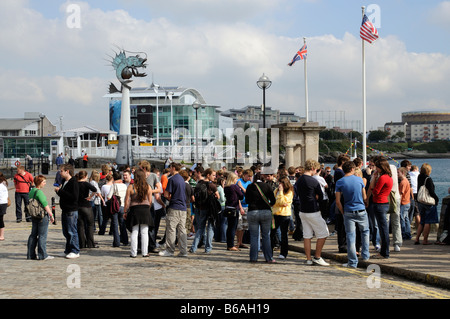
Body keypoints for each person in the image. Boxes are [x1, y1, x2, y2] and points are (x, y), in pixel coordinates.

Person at [335, 161, 369, 268]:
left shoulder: (340, 182)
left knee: (350, 236)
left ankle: (352, 262)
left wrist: (343, 212)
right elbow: (364, 197)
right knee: (365, 232)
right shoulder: (359, 179)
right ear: (352, 169)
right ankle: (365, 255)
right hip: (361, 209)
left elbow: (337, 201)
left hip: (348, 210)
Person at [295, 159, 330, 266]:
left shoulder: (299, 180)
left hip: (302, 210)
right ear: (313, 169)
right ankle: (317, 256)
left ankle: (309, 259)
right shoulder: (314, 181)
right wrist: (316, 197)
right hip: (313, 210)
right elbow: (321, 196)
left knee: (307, 235)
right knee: (324, 233)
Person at [245, 172, 276, 263]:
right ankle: (268, 258)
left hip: (253, 211)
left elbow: (247, 200)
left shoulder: (250, 187)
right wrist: (268, 205)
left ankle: (253, 258)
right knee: (266, 236)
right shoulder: (267, 186)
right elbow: (273, 200)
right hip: (265, 212)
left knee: (254, 236)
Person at [159, 162, 188, 257]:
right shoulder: (182, 179)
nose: (169, 170)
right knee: (182, 230)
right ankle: (183, 251)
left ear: (173, 168)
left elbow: (166, 194)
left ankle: (170, 250)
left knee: (171, 229)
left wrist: (171, 198)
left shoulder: (172, 179)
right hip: (183, 207)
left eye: (170, 168)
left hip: (174, 206)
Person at [124, 169, 153, 258]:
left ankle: (133, 253)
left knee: (134, 232)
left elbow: (127, 201)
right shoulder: (147, 186)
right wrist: (148, 208)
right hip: (145, 209)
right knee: (144, 232)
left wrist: (125, 211)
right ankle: (145, 252)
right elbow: (150, 200)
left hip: (134, 209)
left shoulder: (131, 187)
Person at [368, 158, 393, 259]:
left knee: (383, 230)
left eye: (377, 167)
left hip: (379, 203)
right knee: (384, 229)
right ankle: (384, 252)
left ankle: (384, 253)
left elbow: (375, 191)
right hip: (384, 203)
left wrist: (374, 179)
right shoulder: (389, 177)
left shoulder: (382, 178)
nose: (375, 169)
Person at [190, 168, 218, 254]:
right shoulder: (211, 185)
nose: (215, 177)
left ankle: (193, 247)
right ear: (208, 175)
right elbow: (218, 196)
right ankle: (208, 248)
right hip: (210, 209)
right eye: (213, 175)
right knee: (210, 228)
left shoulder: (199, 184)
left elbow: (194, 196)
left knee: (200, 228)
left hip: (200, 208)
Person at [27, 175, 55, 260]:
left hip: (34, 215)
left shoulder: (32, 191)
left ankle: (30, 254)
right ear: (39, 183)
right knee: (42, 235)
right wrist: (51, 215)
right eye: (44, 182)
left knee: (33, 235)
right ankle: (43, 255)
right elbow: (45, 205)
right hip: (41, 215)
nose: (45, 183)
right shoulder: (39, 192)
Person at [55, 164, 80, 259]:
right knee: (66, 231)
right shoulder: (65, 181)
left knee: (72, 231)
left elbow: (74, 197)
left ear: (67, 171)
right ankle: (68, 250)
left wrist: (60, 192)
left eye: (61, 171)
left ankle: (75, 250)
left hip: (71, 210)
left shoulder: (73, 182)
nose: (60, 173)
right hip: (65, 209)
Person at [415, 163, 439, 245]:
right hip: (428, 202)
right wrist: (436, 199)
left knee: (422, 221)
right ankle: (425, 240)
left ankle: (417, 238)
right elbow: (431, 192)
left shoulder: (419, 177)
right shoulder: (428, 179)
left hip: (420, 201)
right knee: (427, 222)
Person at [272, 176, 294, 259]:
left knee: (283, 234)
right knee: (272, 233)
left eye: (281, 183)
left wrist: (281, 193)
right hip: (275, 214)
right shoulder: (276, 190)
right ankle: (269, 251)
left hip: (284, 215)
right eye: (279, 183)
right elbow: (274, 202)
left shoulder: (289, 192)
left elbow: (283, 201)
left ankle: (284, 253)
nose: (279, 185)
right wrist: (280, 203)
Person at [76, 170, 98, 249]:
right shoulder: (86, 184)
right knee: (90, 225)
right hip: (86, 206)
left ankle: (82, 244)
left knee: (80, 226)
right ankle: (90, 243)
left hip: (78, 206)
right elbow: (95, 190)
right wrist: (90, 197)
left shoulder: (75, 184)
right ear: (85, 176)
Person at [106, 172, 128, 247]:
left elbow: (109, 197)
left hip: (115, 206)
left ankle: (116, 242)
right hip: (123, 205)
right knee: (122, 224)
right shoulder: (125, 186)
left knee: (115, 224)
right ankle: (125, 240)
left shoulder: (114, 185)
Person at [223, 172, 244, 251]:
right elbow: (241, 196)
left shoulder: (226, 187)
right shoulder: (234, 187)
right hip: (234, 208)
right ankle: (231, 245)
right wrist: (240, 188)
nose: (236, 180)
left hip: (228, 207)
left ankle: (229, 244)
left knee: (229, 227)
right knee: (233, 227)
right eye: (235, 179)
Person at [236, 169, 253, 249]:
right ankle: (237, 242)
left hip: (247, 205)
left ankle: (241, 242)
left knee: (244, 226)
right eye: (248, 176)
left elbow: (249, 193)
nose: (249, 178)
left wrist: (241, 187)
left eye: (250, 177)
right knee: (239, 225)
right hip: (240, 205)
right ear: (244, 175)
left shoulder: (249, 183)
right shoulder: (238, 181)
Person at [398, 167, 413, 240]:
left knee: (402, 218)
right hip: (407, 202)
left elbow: (401, 193)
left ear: (403, 173)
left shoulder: (403, 182)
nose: (397, 174)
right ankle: (408, 233)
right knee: (406, 218)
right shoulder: (406, 181)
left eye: (398, 172)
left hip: (403, 202)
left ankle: (404, 233)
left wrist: (398, 203)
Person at [0, 173, 9, 241]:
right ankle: (1, 235)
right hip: (3, 203)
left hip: (1, 203)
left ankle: (1, 235)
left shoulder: (1, 185)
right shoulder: (4, 183)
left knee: (0, 220)